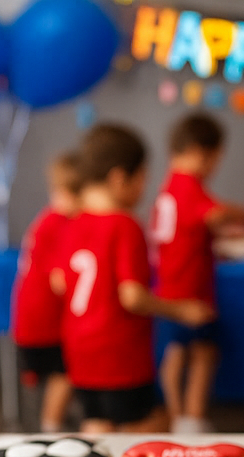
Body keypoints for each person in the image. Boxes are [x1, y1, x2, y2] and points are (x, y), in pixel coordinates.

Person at [53, 124, 213, 433]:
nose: (145, 186)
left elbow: (60, 282)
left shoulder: (72, 223)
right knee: (151, 426)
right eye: (142, 177)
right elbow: (133, 296)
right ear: (118, 178)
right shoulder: (125, 226)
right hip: (120, 356)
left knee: (97, 425)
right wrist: (182, 310)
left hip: (79, 351)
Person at [149, 114, 244, 434]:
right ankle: (190, 416)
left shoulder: (168, 186)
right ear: (199, 152)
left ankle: (179, 415)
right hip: (189, 291)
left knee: (177, 352)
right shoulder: (189, 185)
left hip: (169, 284)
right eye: (215, 158)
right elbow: (215, 215)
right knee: (203, 353)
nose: (215, 166)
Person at [12, 152, 81, 432]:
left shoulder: (47, 219)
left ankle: (53, 423)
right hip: (43, 324)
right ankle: (51, 429)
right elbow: (60, 281)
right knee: (64, 373)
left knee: (60, 374)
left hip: (33, 321)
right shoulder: (58, 224)